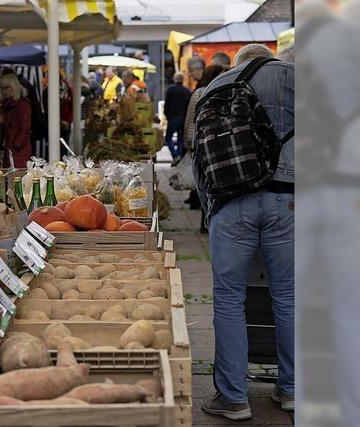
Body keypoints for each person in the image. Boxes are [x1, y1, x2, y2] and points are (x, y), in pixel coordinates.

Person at [194, 43, 294, 420]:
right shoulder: (298, 79)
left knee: (229, 297)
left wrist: (211, 210)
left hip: (232, 200)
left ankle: (233, 397)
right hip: (290, 201)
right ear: (270, 58)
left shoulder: (218, 84)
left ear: (238, 64)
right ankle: (292, 389)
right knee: (288, 296)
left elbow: (201, 156)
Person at [182, 64, 226, 232]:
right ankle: (207, 221)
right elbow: (191, 119)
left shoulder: (199, 92)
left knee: (205, 183)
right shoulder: (204, 92)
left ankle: (206, 221)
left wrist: (188, 142)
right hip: (206, 143)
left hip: (200, 143)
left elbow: (189, 120)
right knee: (207, 183)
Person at [0, 73, 32, 168]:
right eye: (2, 88)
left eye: (7, 87)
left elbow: (25, 128)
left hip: (19, 149)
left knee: (17, 177)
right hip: (9, 147)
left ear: (14, 87)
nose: (4, 91)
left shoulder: (22, 105)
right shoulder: (5, 106)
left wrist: (16, 145)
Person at [164, 72, 191, 160]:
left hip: (173, 117)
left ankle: (175, 155)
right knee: (181, 138)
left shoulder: (170, 90)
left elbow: (167, 104)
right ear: (183, 80)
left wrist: (167, 115)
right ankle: (179, 155)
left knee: (168, 138)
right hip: (183, 118)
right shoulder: (187, 91)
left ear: (174, 79)